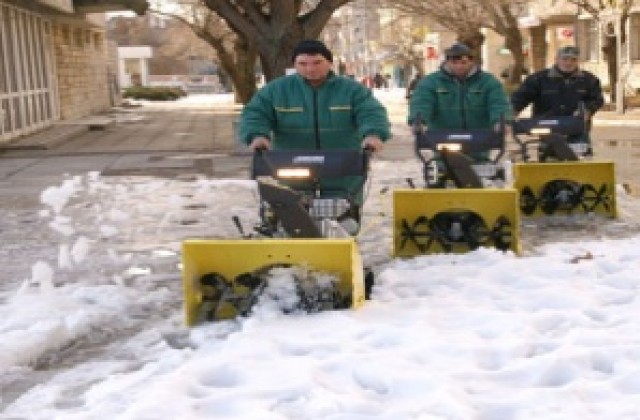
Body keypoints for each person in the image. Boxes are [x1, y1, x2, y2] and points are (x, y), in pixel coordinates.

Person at [240, 39, 391, 218]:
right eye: (302, 64)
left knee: (342, 217)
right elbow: (255, 113)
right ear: (294, 64)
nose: (310, 69)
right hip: (291, 165)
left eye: (317, 62)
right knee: (289, 215)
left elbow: (371, 112)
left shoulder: (351, 90)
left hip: (342, 165)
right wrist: (257, 135)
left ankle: (341, 241)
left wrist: (373, 134)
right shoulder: (276, 90)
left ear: (329, 62)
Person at [408, 42, 511, 160]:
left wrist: (501, 120)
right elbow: (422, 102)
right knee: (444, 167)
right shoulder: (432, 82)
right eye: (455, 63)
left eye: (463, 62)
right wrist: (419, 120)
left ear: (471, 62)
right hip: (443, 138)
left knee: (480, 168)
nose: (459, 66)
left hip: (479, 138)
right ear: (447, 62)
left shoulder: (488, 82)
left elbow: (498, 102)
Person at [511, 45, 604, 147]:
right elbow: (521, 97)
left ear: (578, 61)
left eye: (573, 60)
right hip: (546, 126)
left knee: (579, 158)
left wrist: (587, 110)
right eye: (564, 59)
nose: (568, 63)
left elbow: (597, 99)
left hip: (576, 126)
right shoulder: (538, 79)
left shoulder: (589, 80)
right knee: (548, 157)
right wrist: (510, 113)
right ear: (556, 60)